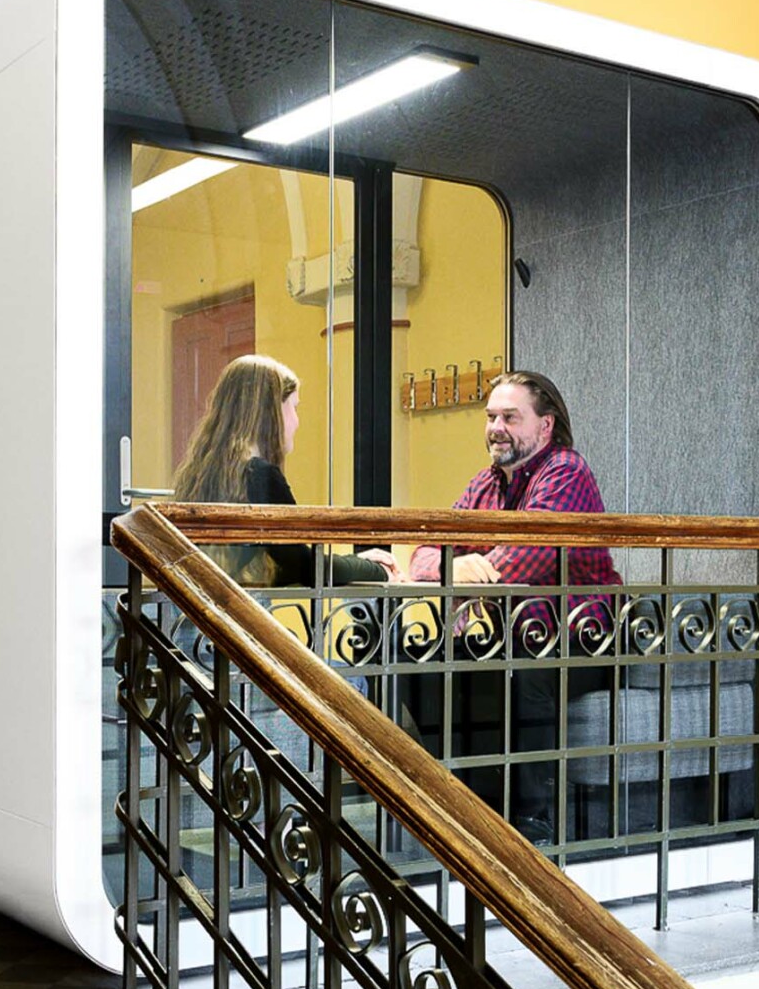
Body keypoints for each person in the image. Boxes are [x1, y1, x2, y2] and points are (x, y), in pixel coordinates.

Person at [408, 370, 621, 841]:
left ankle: (533, 825)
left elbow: (521, 560)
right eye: (490, 417)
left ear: (545, 427)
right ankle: (467, 805)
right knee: (418, 662)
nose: (495, 427)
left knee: (524, 668)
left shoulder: (566, 471)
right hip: (514, 635)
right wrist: (452, 571)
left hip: (582, 637)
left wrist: (462, 575)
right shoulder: (485, 484)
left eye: (509, 416)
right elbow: (422, 552)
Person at [173, 354, 401, 587]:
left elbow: (278, 564)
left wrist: (352, 562)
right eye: (293, 406)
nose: (297, 421)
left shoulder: (204, 473)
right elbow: (305, 568)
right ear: (270, 412)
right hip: (234, 619)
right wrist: (376, 571)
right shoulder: (259, 475)